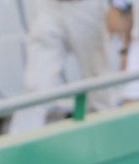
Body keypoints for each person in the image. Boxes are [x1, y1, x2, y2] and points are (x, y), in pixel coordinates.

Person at [9, 0, 117, 133]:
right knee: (35, 84)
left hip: (87, 7)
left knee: (99, 85)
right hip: (48, 7)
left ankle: (107, 136)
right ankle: (21, 142)